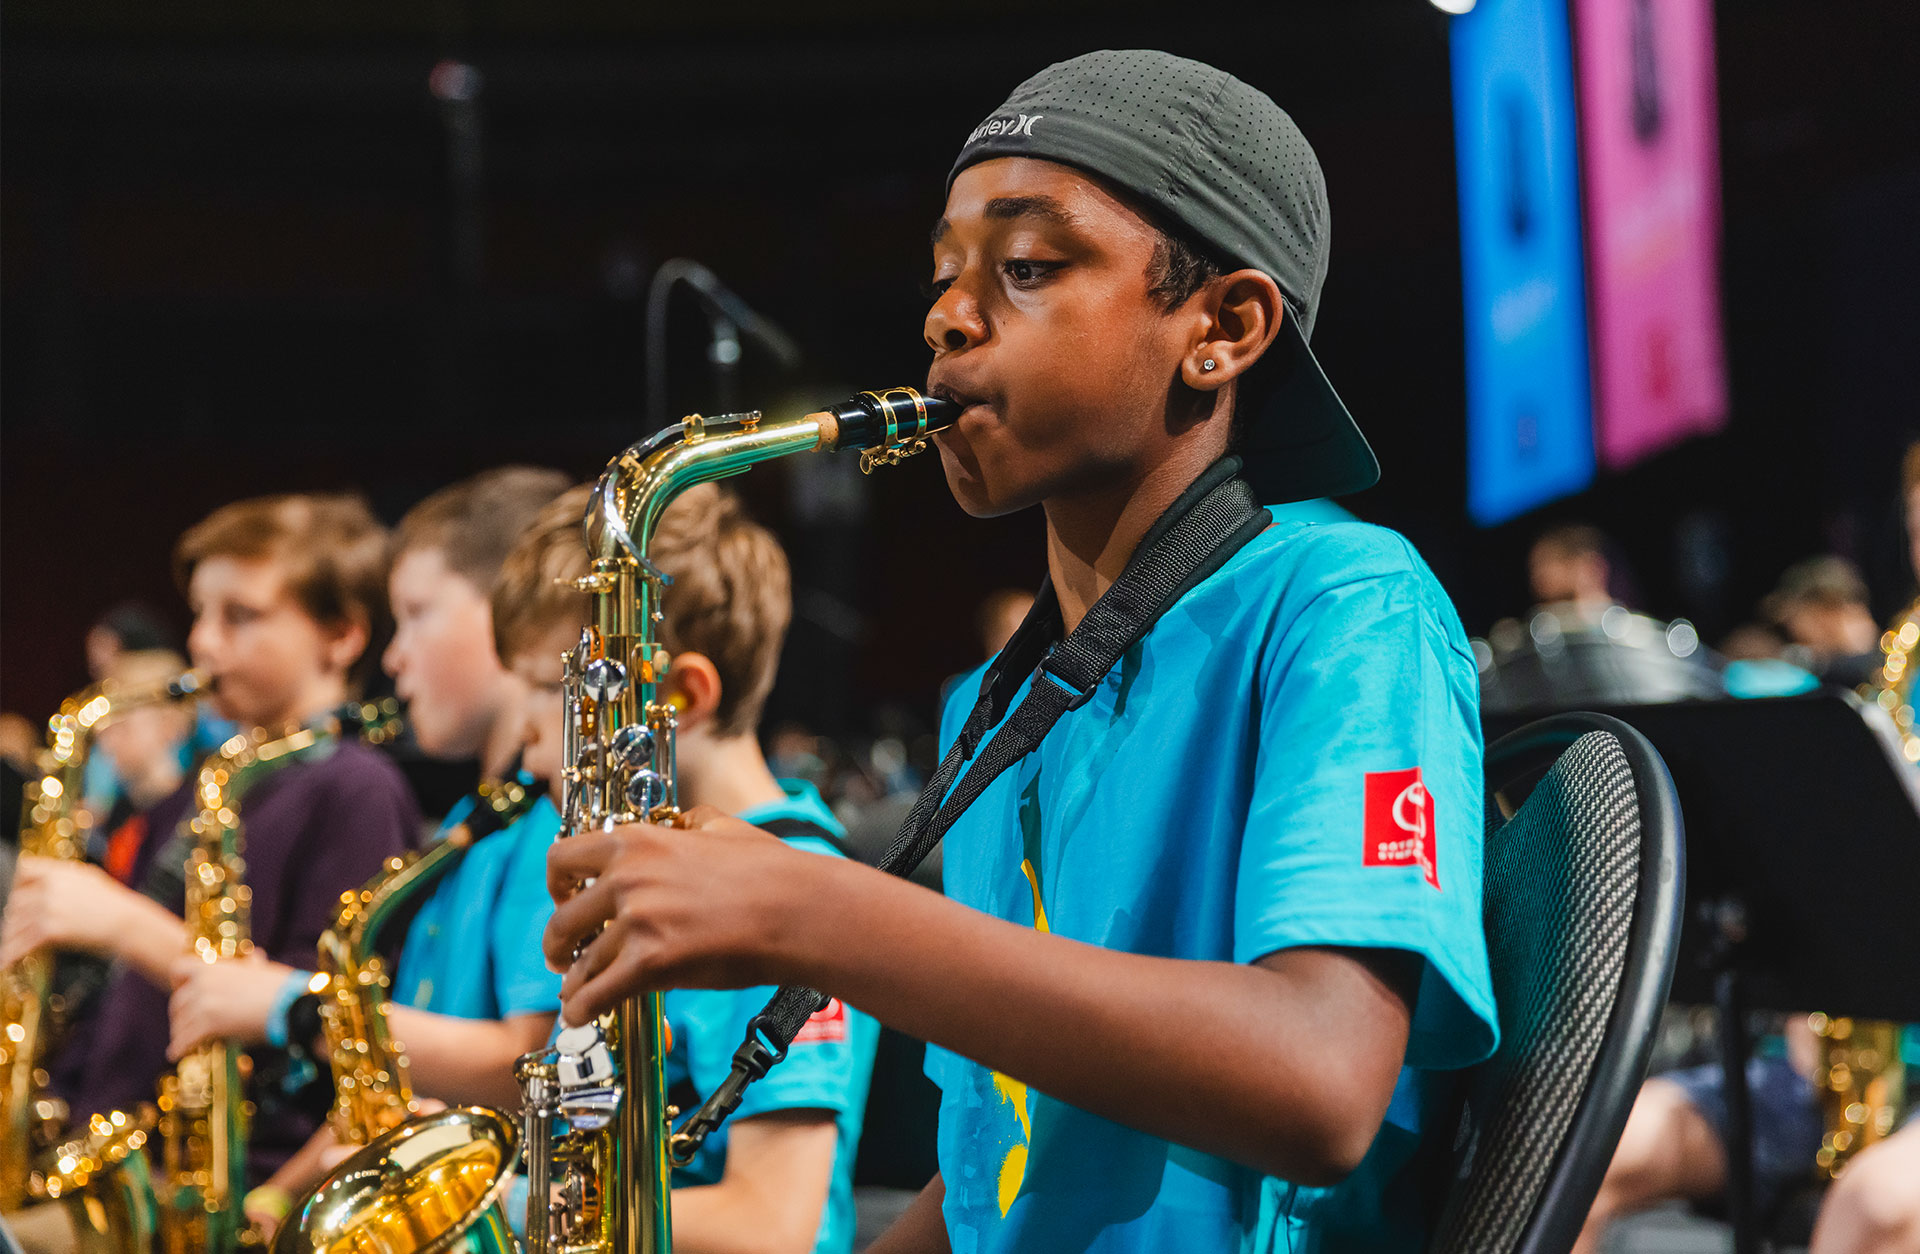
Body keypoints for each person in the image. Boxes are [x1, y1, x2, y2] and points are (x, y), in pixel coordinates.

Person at [541, 50, 1495, 1253]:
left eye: (1028, 268)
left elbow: (1319, 1083)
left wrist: (817, 913)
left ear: (1224, 328)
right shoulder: (990, 710)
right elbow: (1005, 1161)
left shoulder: (1345, 603)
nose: (946, 315)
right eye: (944, 274)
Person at [161, 467, 570, 1230]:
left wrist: (289, 1005)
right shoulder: (465, 829)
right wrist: (277, 1199)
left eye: (416, 615)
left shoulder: (548, 826)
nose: (393, 656)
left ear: (515, 615)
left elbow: (530, 1060)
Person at [0, 493, 419, 1211]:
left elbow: (309, 1014)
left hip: (233, 1183)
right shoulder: (215, 777)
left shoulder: (357, 788)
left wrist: (121, 922)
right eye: (200, 613)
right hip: (118, 1162)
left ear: (342, 635)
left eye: (240, 616)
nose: (204, 642)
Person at [499, 482, 879, 1254]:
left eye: (557, 693)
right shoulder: (650, 868)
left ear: (679, 696)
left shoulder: (785, 890)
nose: (532, 744)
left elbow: (772, 1226)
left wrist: (506, 1208)